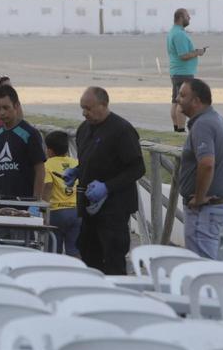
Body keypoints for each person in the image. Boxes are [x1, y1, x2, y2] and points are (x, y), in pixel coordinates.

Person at [69, 86, 146, 274]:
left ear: (103, 105)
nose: (84, 113)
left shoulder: (122, 130)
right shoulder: (83, 129)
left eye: (88, 108)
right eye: (82, 108)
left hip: (114, 208)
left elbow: (137, 168)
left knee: (113, 259)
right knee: (88, 256)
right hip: (88, 207)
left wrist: (107, 187)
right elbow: (89, 160)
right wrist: (77, 171)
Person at [175, 78, 223, 259]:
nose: (177, 99)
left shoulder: (203, 124)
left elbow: (207, 163)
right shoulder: (218, 120)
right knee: (214, 262)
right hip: (219, 207)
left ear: (196, 101)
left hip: (205, 210)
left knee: (203, 265)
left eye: (182, 95)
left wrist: (199, 198)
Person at [0, 84, 45, 200]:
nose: (2, 112)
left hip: (23, 202)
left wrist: (35, 202)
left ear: (16, 106)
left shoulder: (30, 134)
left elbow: (40, 170)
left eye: (6, 108)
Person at [167, 8, 206, 133]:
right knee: (182, 102)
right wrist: (198, 52)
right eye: (187, 16)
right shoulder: (179, 34)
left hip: (176, 72)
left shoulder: (173, 32)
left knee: (175, 101)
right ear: (180, 17)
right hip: (183, 72)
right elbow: (183, 55)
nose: (189, 18)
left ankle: (176, 129)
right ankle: (180, 130)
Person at [43, 130, 80, 257]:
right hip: (76, 211)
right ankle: (77, 268)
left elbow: (48, 187)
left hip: (57, 212)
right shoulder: (76, 163)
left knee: (54, 250)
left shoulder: (47, 165)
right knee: (74, 250)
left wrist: (44, 212)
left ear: (49, 150)